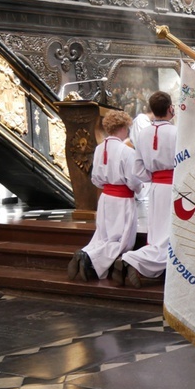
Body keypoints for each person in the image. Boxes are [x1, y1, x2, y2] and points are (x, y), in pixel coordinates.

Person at [68, 110, 143, 282]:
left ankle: (86, 253)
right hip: (122, 200)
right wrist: (140, 187)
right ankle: (87, 258)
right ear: (124, 127)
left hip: (105, 198)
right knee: (122, 241)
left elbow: (95, 179)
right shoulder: (127, 151)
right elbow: (133, 180)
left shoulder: (99, 148)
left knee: (104, 236)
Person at [113, 91, 177, 288]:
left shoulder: (142, 134)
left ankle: (139, 262)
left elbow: (138, 169)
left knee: (158, 233)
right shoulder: (178, 133)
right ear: (170, 109)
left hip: (156, 189)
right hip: (175, 189)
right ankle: (135, 260)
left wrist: (155, 178)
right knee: (170, 236)